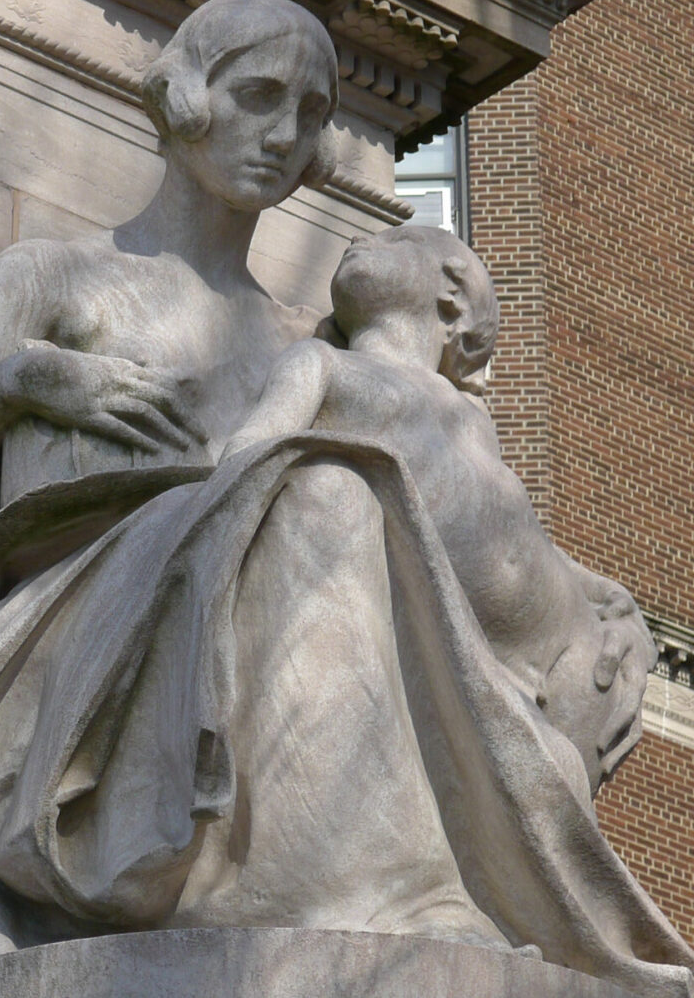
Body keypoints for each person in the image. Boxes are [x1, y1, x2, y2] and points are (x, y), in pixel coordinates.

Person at [0, 0, 694, 995]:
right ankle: (347, 893)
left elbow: (442, 507)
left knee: (339, 499)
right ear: (181, 96)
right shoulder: (55, 273)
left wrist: (592, 608)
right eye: (255, 95)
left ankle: (385, 886)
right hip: (77, 616)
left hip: (228, 604)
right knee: (329, 496)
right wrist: (30, 379)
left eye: (304, 114)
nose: (281, 133)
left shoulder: (298, 340)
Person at [220, 224, 652, 789]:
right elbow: (243, 461)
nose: (357, 240)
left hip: (573, 665)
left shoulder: (474, 418)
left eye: (393, 240)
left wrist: (613, 602)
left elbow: (516, 532)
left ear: (453, 289)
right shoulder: (323, 368)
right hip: (483, 674)